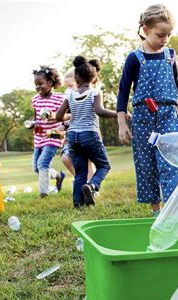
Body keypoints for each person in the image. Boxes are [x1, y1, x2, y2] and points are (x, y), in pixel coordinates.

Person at [117, 4, 178, 216]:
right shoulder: (134, 59)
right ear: (145, 30)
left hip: (168, 115)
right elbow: (122, 92)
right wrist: (122, 124)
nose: (165, 39)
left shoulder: (170, 55)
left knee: (169, 162)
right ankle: (156, 210)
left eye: (168, 35)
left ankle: (172, 210)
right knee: (146, 164)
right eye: (160, 35)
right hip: (143, 118)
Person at [56, 56, 117, 208]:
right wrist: (119, 113)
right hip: (89, 134)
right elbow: (100, 111)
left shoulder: (70, 95)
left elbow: (58, 116)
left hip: (73, 137)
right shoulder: (95, 93)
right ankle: (92, 186)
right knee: (104, 166)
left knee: (80, 171)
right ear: (94, 77)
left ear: (76, 78)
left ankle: (78, 203)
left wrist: (70, 117)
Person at [31, 65, 66, 198]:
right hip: (39, 136)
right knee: (36, 167)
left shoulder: (59, 98)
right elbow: (36, 118)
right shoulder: (35, 100)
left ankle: (43, 193)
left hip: (54, 135)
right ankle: (57, 176)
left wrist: (54, 115)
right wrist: (33, 124)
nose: (38, 87)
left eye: (41, 84)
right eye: (36, 85)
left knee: (43, 164)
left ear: (50, 83)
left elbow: (67, 115)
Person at [59, 69, 96, 180]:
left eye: (70, 86)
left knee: (88, 162)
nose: (67, 90)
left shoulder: (91, 97)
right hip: (71, 138)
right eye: (66, 87)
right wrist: (59, 128)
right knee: (66, 158)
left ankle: (91, 187)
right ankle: (81, 180)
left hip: (87, 135)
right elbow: (64, 120)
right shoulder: (69, 101)